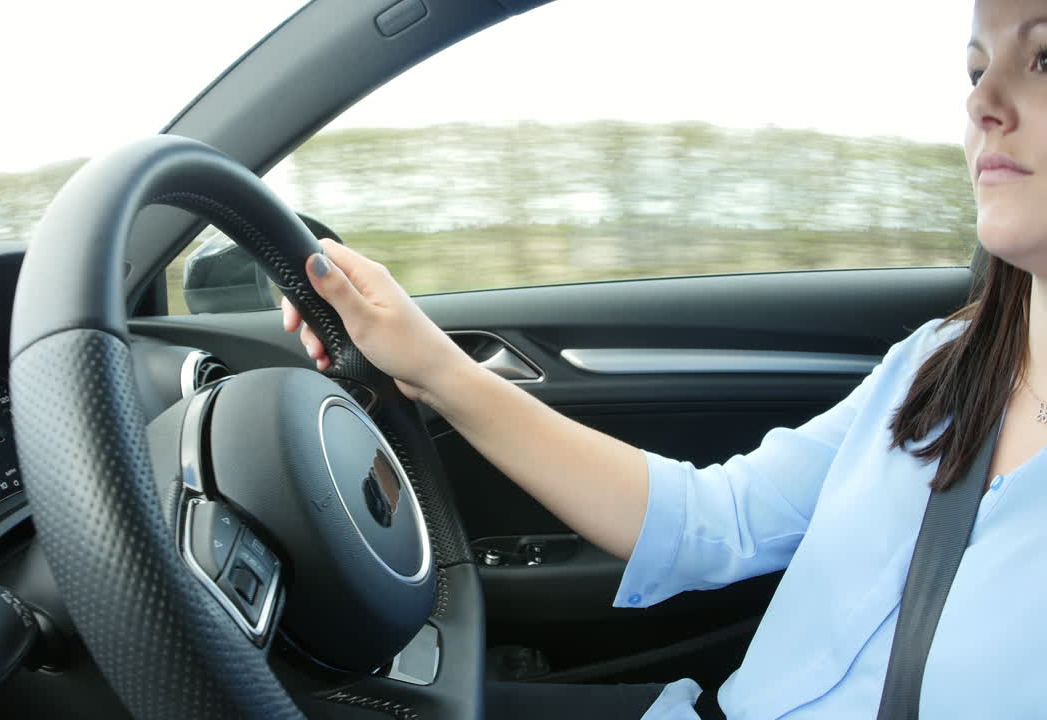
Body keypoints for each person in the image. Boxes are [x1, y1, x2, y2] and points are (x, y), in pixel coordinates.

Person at [282, 1, 1047, 716]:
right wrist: (434, 366)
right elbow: (716, 522)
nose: (983, 105)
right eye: (975, 71)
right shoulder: (936, 364)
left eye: (1043, 60)